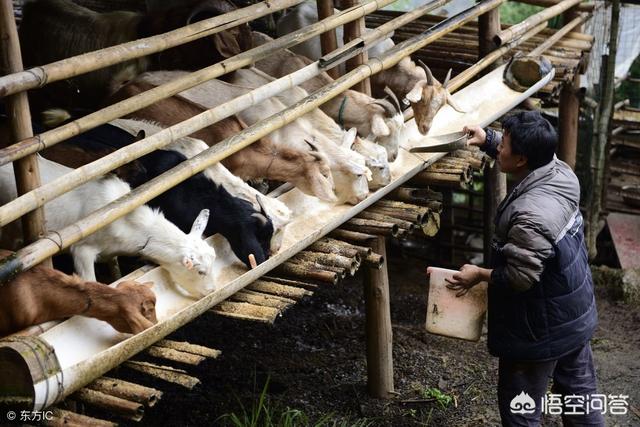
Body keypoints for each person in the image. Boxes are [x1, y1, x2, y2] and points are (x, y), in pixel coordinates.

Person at [445, 111, 604, 426]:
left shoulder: (529, 215)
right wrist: (488, 140)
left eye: (503, 145)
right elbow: (525, 158)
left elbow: (520, 277)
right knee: (579, 395)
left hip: (538, 327)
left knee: (521, 409)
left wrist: (479, 275)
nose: (499, 149)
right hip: (573, 314)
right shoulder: (560, 172)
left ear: (521, 159)